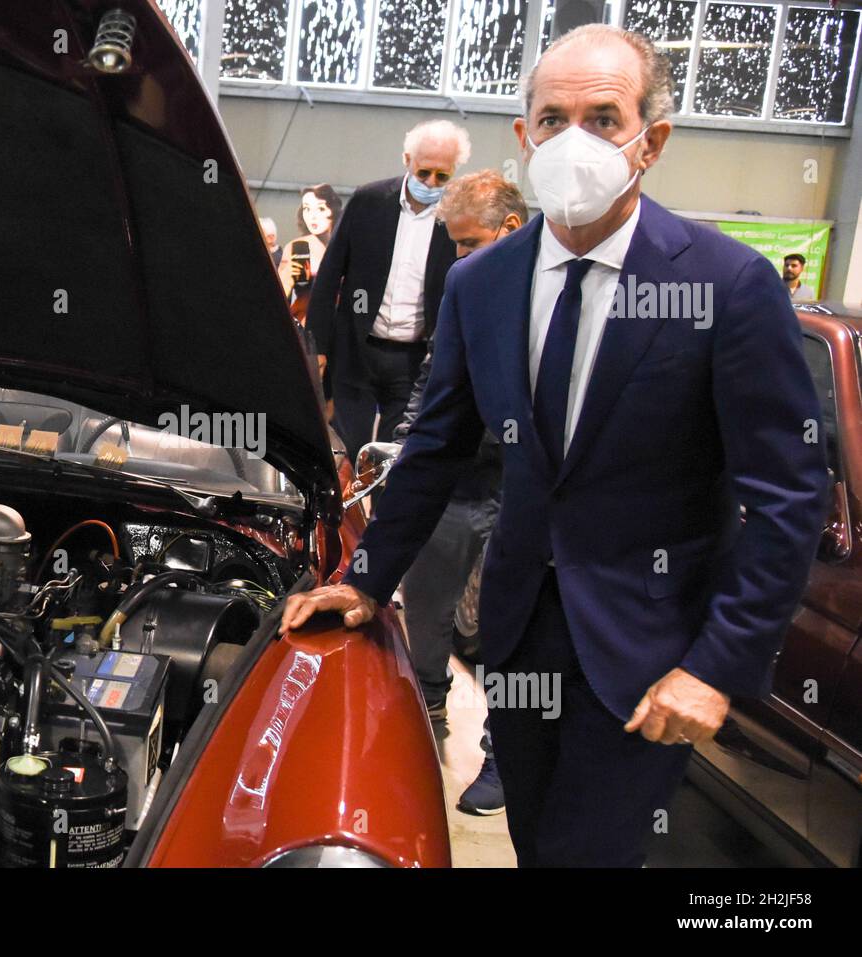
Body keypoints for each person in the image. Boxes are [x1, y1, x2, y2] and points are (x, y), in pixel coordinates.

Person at [280, 25, 828, 867]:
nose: (575, 139)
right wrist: (364, 581)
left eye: (604, 117)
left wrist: (719, 664)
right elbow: (436, 447)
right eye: (552, 117)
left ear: (653, 141)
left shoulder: (726, 285)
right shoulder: (480, 283)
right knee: (536, 842)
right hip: (520, 635)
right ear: (524, 134)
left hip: (650, 656)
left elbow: (789, 496)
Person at [394, 170, 528, 817]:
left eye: (469, 243)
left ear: (512, 229)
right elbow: (433, 379)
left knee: (508, 625)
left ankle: (503, 750)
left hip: (522, 492)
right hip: (455, 485)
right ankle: (428, 702)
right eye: (452, 245)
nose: (458, 259)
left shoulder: (557, 301)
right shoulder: (465, 293)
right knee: (424, 606)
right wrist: (407, 440)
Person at [307, 119, 468, 460]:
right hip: (357, 348)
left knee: (396, 455)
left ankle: (383, 514)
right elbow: (330, 273)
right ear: (407, 159)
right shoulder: (369, 200)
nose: (431, 183)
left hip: (414, 357)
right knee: (347, 450)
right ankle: (344, 514)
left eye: (443, 176)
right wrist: (316, 346)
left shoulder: (457, 215)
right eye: (424, 172)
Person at [277, 184, 342, 308]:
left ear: (334, 210)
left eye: (321, 209)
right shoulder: (296, 247)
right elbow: (277, 295)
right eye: (307, 209)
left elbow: (362, 290)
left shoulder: (347, 247)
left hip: (339, 321)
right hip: (303, 321)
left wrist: (361, 315)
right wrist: (287, 276)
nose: (313, 216)